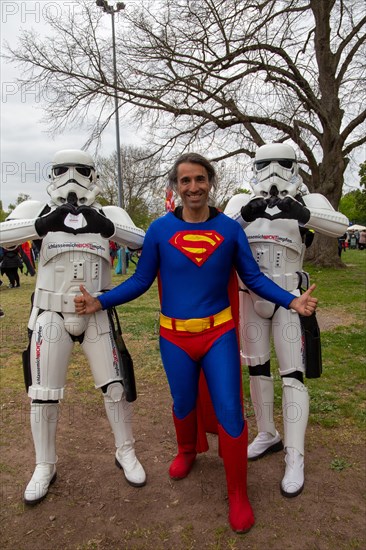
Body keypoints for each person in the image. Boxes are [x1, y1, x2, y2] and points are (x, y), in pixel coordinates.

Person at [74, 152, 318, 534]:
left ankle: (238, 493)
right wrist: (99, 302)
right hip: (174, 337)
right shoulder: (158, 230)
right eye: (185, 181)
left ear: (210, 183)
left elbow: (252, 277)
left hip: (218, 334)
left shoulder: (230, 229)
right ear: (176, 186)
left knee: (230, 411)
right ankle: (187, 451)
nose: (193, 188)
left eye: (200, 180)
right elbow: (141, 281)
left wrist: (292, 300)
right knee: (183, 402)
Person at [0, 149, 147, 505]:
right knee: (43, 392)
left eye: (80, 170)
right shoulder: (38, 211)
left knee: (115, 386)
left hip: (96, 309)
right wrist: (41, 226)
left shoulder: (108, 213)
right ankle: (44, 464)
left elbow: (143, 241)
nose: (71, 178)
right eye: (62, 170)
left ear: (93, 176)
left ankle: (124, 450)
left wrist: (106, 226)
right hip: (51, 312)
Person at [224, 143, 348, 498]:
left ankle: (296, 454)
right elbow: (220, 232)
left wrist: (301, 213)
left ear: (293, 167)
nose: (273, 173)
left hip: (291, 296)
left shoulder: (309, 202)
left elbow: (338, 229)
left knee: (292, 374)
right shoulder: (239, 202)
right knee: (257, 369)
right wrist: (247, 214)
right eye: (265, 165)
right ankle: (267, 433)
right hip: (251, 296)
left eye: (281, 165)